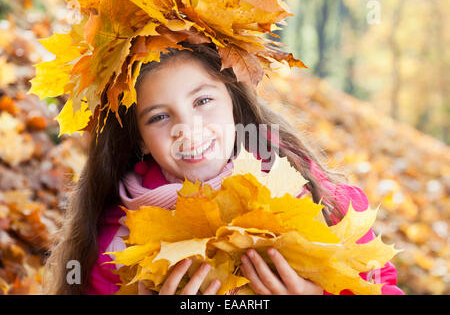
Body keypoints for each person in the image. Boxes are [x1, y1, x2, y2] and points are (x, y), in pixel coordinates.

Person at [41, 41, 404, 295]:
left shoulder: (316, 198)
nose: (189, 129)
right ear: (139, 139)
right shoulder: (113, 247)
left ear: (233, 101)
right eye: (160, 116)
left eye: (202, 101)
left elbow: (379, 285)